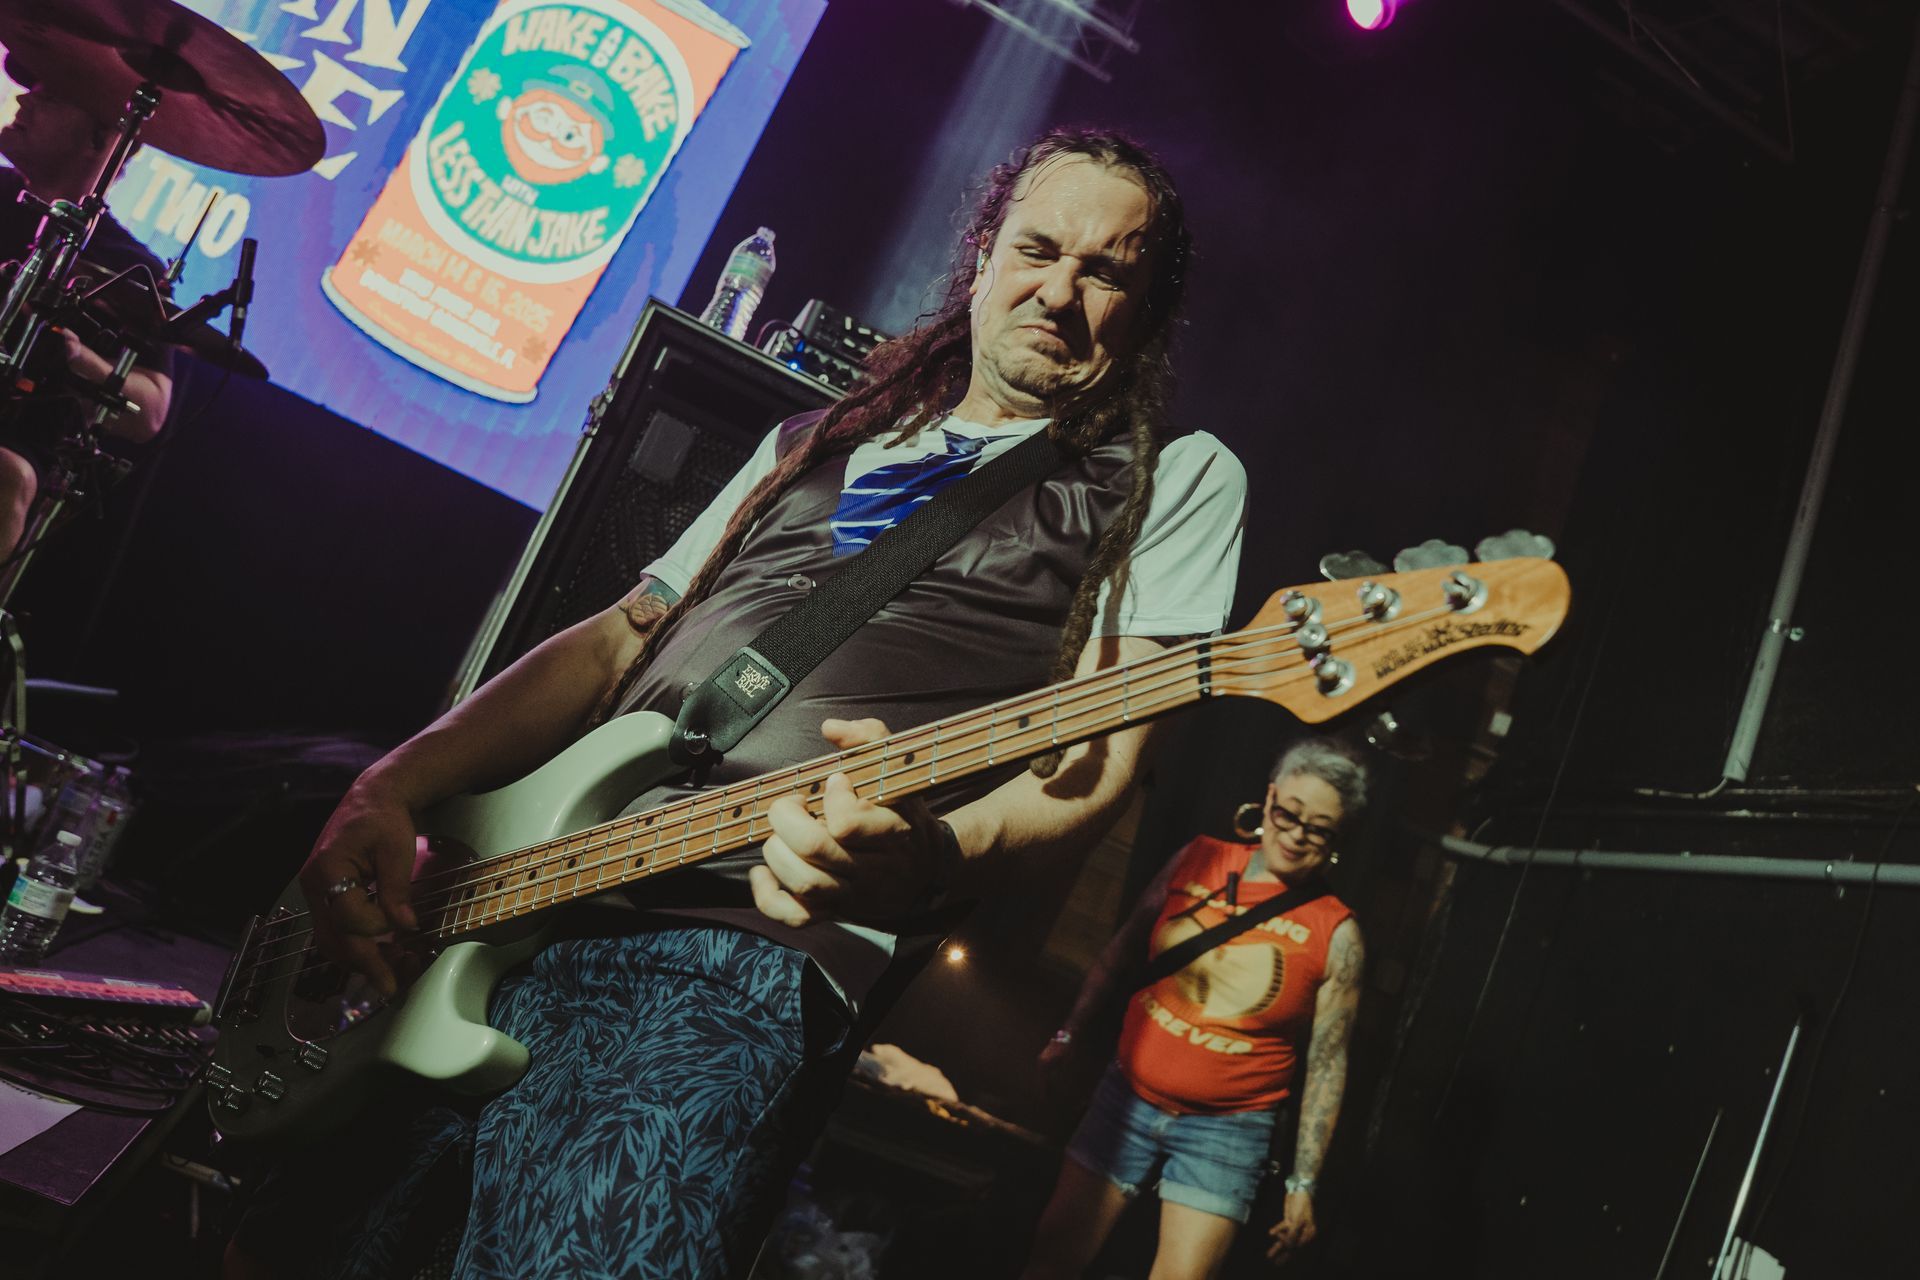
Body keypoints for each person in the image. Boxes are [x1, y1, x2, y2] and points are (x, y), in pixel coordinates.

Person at [225, 125, 1247, 1279]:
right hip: (514, 894)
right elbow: (621, 635)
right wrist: (393, 782)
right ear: (983, 258)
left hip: (742, 949)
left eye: (1105, 271)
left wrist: (928, 853)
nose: (1059, 291)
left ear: (1147, 309)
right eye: (1038, 248)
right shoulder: (812, 439)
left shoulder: (1173, 475)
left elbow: (1098, 766)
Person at [1022, 738, 1369, 1279]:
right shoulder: (1200, 857)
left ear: (1336, 839)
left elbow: (1327, 1064)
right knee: (1054, 1255)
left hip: (1228, 1131)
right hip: (1125, 1098)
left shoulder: (1337, 932)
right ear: (1269, 799)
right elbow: (1119, 953)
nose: (1297, 835)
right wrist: (1068, 1035)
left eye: (1318, 829)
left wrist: (1302, 1185)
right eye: (1289, 813)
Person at [0, 73, 175, 558]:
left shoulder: (129, 266)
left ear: (102, 139)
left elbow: (149, 414)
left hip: (14, 433)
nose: (23, 100)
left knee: (8, 477)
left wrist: (74, 357)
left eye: (50, 96)